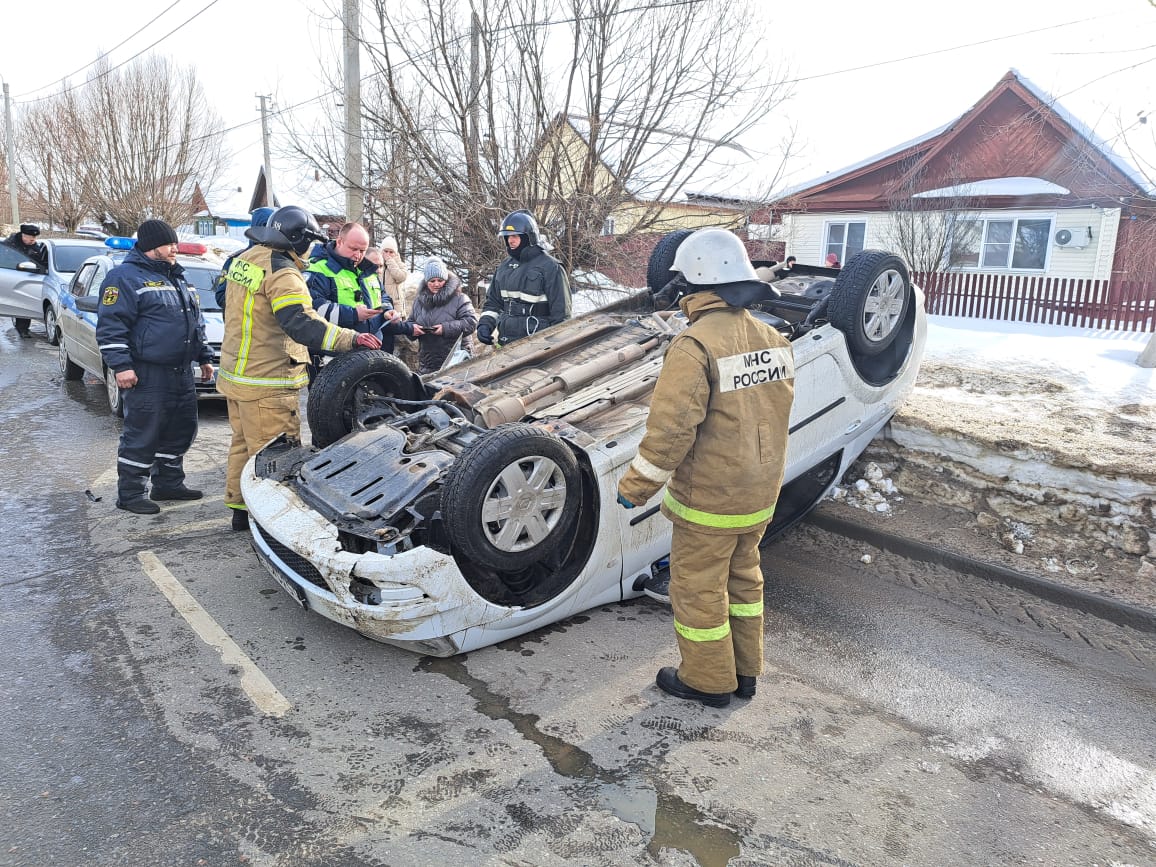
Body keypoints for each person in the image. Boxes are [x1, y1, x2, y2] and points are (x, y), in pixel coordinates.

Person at [617, 228, 795, 708]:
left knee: (698, 589)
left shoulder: (694, 346)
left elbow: (671, 432)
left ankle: (707, 681)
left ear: (696, 280)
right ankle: (745, 672)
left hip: (711, 501)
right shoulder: (774, 339)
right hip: (760, 493)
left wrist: (635, 487)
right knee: (744, 581)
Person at [217, 205, 382, 531]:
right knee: (275, 456)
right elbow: (302, 324)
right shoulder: (284, 274)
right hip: (267, 381)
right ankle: (271, 525)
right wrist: (350, 338)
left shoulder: (245, 260)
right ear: (300, 240)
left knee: (244, 447)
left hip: (237, 374)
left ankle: (240, 510)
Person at [94, 219, 216, 515]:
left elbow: (194, 322)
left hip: (180, 371)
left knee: (181, 429)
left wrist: (204, 356)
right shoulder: (124, 278)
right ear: (151, 246)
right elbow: (111, 327)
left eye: (174, 243)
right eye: (168, 244)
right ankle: (131, 493)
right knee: (143, 433)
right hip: (147, 372)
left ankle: (168, 483)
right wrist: (121, 366)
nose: (175, 248)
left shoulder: (177, 276)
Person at [305, 222, 415, 355]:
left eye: (362, 251)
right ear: (339, 242)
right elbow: (313, 309)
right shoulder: (317, 268)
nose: (358, 255)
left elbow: (382, 296)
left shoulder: (366, 268)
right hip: (334, 355)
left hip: (370, 352)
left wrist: (387, 311)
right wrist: (353, 314)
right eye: (353, 249)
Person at [477, 211, 570, 347]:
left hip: (537, 346)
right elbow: (493, 303)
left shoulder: (551, 267)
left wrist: (555, 347)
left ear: (528, 237)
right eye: (507, 236)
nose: (510, 240)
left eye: (515, 236)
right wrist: (485, 325)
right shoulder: (504, 267)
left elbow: (562, 316)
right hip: (506, 343)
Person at [408, 257, 478, 374]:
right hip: (428, 363)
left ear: (446, 279)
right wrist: (412, 329)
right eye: (432, 281)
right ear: (426, 282)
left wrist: (445, 329)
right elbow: (410, 322)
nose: (436, 284)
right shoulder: (418, 302)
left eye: (440, 280)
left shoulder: (460, 298)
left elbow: (471, 322)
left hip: (456, 360)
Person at [213, 207, 275, 310]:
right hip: (241, 318)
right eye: (264, 226)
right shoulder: (237, 261)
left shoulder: (279, 261)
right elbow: (221, 297)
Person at [3, 224, 48, 337]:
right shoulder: (9, 246)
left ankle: (23, 329)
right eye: (31, 238)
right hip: (9, 276)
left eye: (35, 238)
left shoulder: (35, 247)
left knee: (24, 303)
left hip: (25, 278)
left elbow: (41, 263)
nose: (33, 240)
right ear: (23, 235)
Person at [376, 235, 410, 318]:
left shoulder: (400, 264)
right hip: (380, 303)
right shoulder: (377, 265)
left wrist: (389, 261)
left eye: (391, 252)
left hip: (396, 306)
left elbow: (401, 277)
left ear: (395, 253)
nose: (388, 254)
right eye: (385, 251)